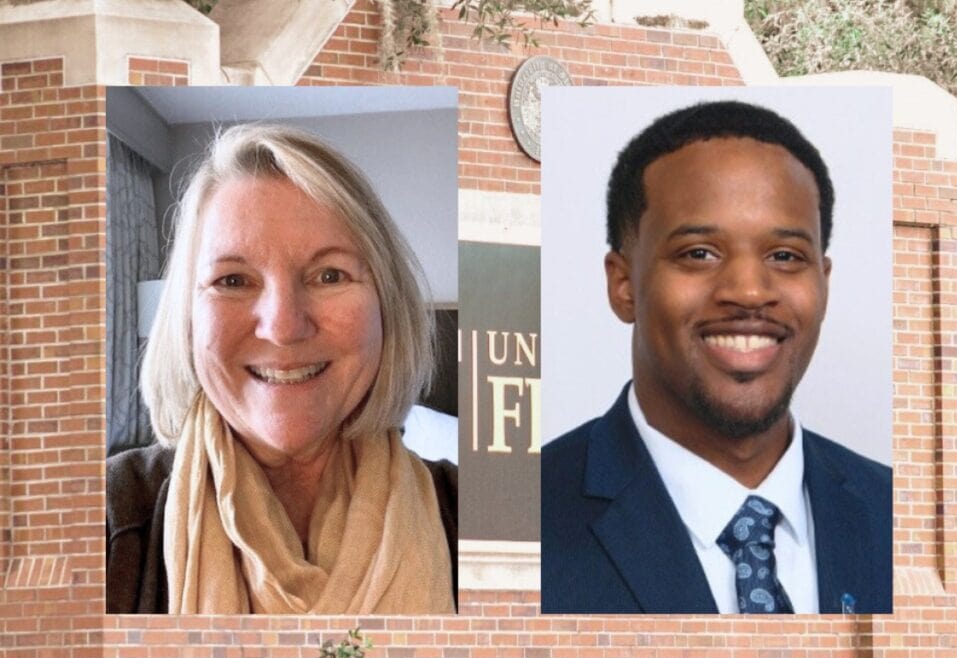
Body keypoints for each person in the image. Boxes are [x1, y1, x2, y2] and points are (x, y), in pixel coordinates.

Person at [541, 100, 892, 615]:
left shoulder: (898, 514)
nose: (749, 291)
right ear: (623, 285)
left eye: (786, 256)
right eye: (699, 253)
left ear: (823, 283)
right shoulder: (521, 520)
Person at [106, 124, 456, 614]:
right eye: (233, 280)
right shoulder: (102, 516)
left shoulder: (482, 518)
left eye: (329, 275)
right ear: (186, 319)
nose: (284, 327)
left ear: (386, 306)